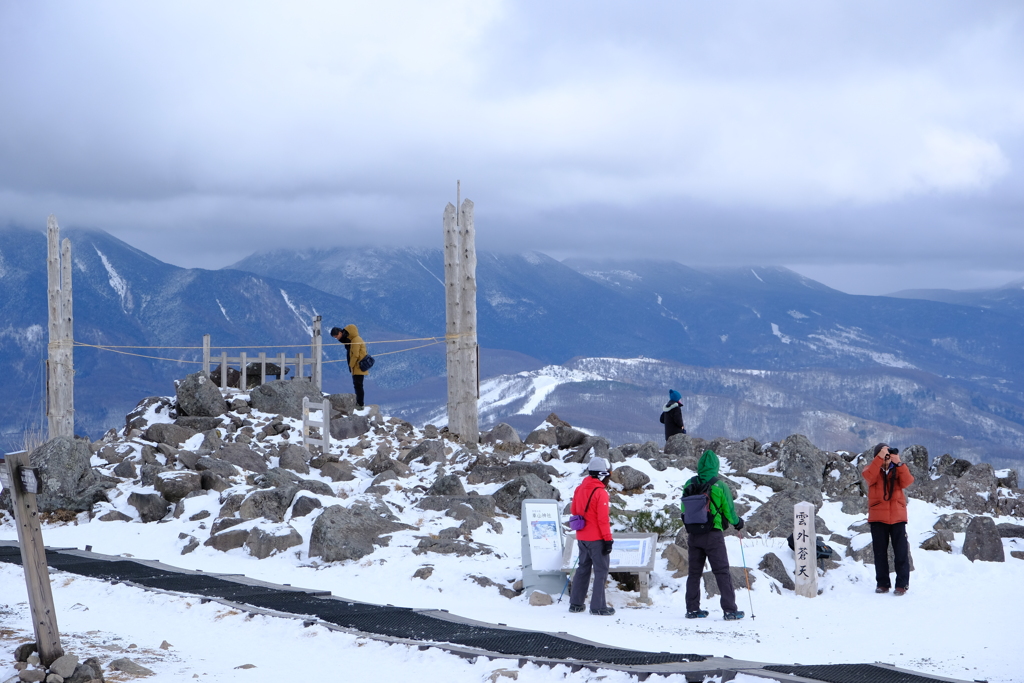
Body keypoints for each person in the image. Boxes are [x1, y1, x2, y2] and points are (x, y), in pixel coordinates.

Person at [683, 449, 745, 620]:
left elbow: (684, 509)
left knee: (694, 573)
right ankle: (730, 610)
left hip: (693, 534)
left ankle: (692, 609)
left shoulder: (689, 483)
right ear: (716, 466)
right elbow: (729, 511)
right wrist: (737, 523)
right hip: (713, 535)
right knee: (722, 571)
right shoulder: (719, 485)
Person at [862, 443, 914, 595]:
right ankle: (882, 583)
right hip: (878, 517)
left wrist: (898, 462)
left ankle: (902, 584)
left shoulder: (897, 469)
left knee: (901, 552)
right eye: (883, 453)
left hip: (898, 517)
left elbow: (907, 481)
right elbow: (869, 477)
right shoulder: (872, 469)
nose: (887, 457)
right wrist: (878, 460)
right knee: (879, 552)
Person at [568, 457, 615, 616]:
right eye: (609, 473)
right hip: (597, 539)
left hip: (582, 537)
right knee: (601, 571)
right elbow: (603, 520)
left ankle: (576, 603)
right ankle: (598, 606)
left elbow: (574, 511)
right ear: (603, 474)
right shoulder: (600, 493)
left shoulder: (579, 489)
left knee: (583, 569)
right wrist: (608, 539)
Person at [331, 324, 368, 408]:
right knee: (357, 384)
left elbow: (355, 354)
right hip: (357, 365)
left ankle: (360, 403)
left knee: (358, 384)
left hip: (357, 365)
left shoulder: (355, 340)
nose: (337, 338)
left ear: (340, 332)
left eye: (337, 335)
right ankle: (359, 402)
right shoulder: (351, 340)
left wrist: (351, 365)